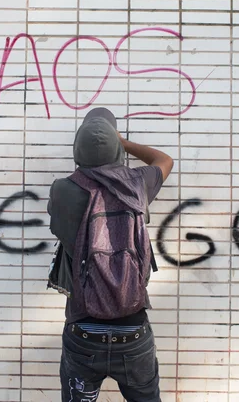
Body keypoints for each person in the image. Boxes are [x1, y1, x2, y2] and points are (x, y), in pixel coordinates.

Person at [47, 107, 173, 402]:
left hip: (83, 333)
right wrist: (124, 142)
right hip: (133, 331)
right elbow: (164, 160)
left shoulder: (63, 190)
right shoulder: (138, 184)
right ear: (116, 148)